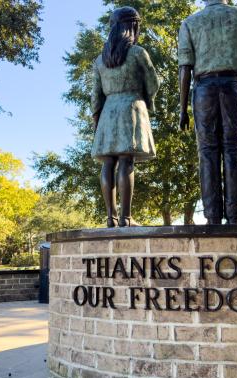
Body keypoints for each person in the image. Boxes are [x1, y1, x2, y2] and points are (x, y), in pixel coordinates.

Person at [178, 0, 237, 225]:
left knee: (207, 152)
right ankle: (236, 215)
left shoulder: (190, 23)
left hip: (203, 90)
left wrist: (182, 107)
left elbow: (185, 68)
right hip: (233, 85)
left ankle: (213, 216)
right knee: (236, 148)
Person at [92, 6, 160, 228]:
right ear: (133, 26)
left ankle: (110, 217)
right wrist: (146, 98)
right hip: (131, 108)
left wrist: (96, 119)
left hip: (108, 111)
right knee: (125, 160)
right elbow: (153, 83)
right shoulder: (138, 53)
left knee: (108, 161)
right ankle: (126, 217)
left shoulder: (100, 61)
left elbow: (96, 95)